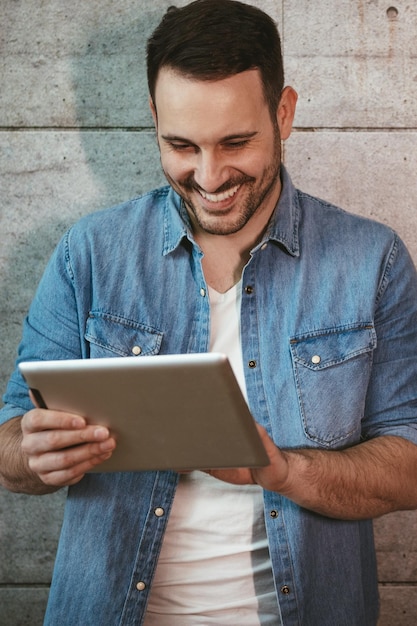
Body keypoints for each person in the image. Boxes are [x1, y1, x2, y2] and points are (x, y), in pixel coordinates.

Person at [1, 0, 417, 624]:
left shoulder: (371, 260)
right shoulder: (87, 253)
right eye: (180, 144)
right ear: (153, 119)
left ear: (284, 113)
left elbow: (409, 467)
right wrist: (31, 457)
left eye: (236, 141)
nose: (208, 174)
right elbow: (9, 444)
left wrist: (281, 471)